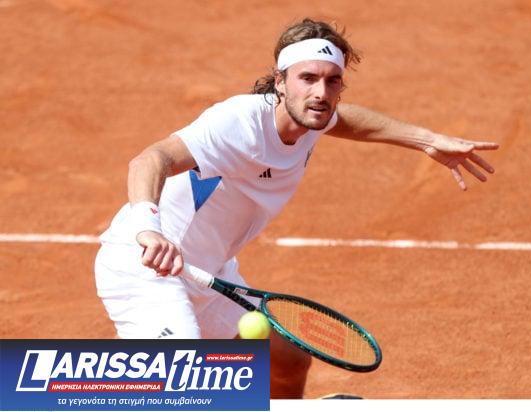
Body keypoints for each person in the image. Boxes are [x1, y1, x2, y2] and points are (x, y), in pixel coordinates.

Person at [94, 18, 499, 399]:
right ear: (280, 82)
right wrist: (148, 228)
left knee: (288, 361)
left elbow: (351, 121)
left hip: (208, 273)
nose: (321, 92)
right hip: (149, 266)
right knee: (186, 390)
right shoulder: (239, 124)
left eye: (332, 81)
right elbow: (151, 159)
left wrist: (426, 140)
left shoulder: (312, 117)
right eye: (308, 78)